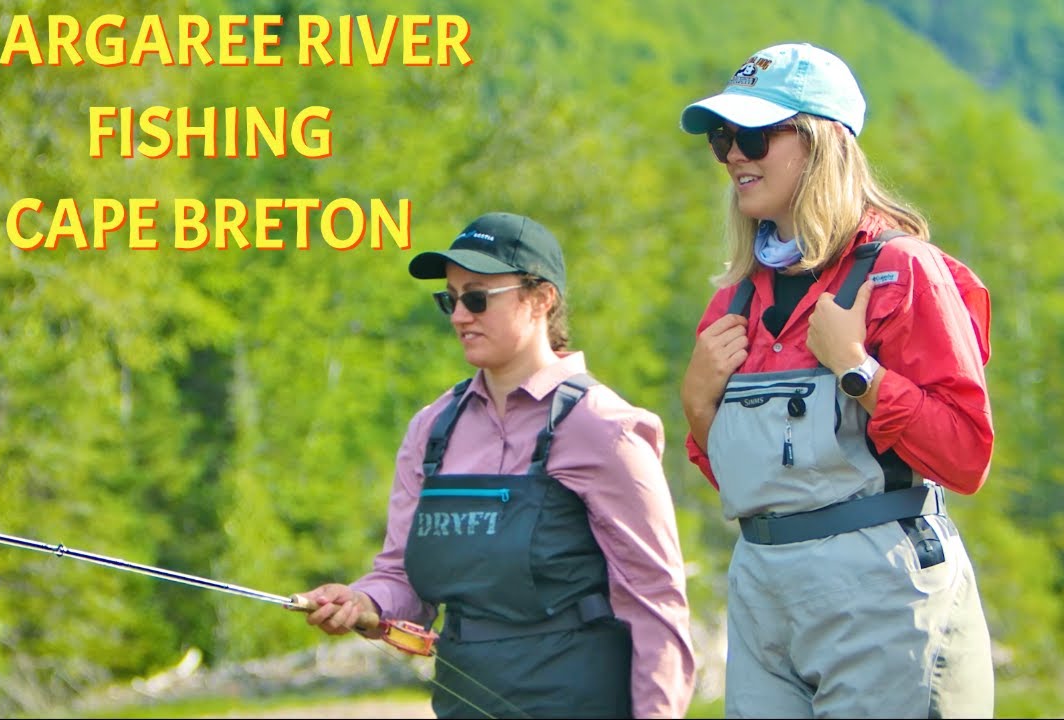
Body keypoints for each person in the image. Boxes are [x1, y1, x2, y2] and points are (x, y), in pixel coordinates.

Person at [677, 42, 996, 718]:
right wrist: (697, 405)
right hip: (762, 593)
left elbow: (966, 457)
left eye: (756, 135)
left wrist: (861, 372)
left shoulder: (905, 273)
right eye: (723, 139)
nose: (735, 154)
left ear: (822, 141)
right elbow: (755, 481)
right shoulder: (732, 301)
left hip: (886, 598)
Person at [293, 212, 696, 719]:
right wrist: (361, 602)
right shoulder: (430, 429)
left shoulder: (605, 428)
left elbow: (655, 601)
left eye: (478, 297)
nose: (460, 315)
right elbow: (401, 577)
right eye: (451, 299)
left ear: (541, 299)